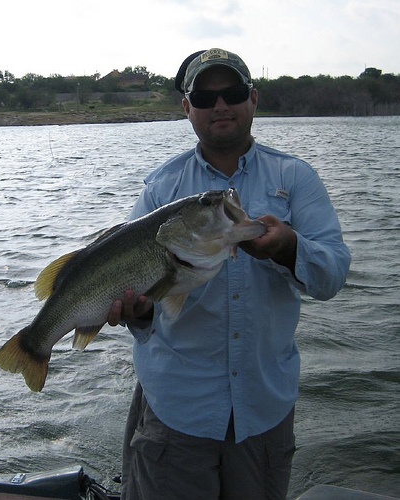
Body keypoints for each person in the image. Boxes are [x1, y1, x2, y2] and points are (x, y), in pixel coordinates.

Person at [107, 48, 351, 500]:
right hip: (176, 407)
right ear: (187, 109)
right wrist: (138, 313)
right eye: (204, 97)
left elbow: (333, 274)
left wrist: (289, 249)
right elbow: (143, 308)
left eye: (233, 93)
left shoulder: (295, 177)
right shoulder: (161, 188)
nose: (220, 105)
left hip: (264, 408)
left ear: (253, 99)